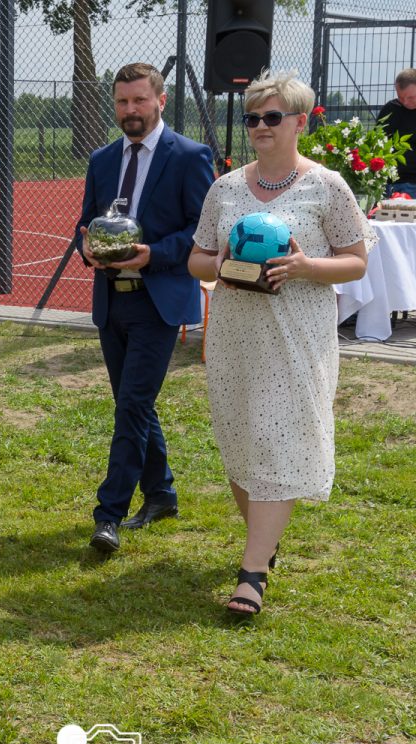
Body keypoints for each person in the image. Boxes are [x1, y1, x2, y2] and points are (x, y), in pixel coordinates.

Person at [187, 70, 372, 615]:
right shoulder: (225, 188)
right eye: (252, 118)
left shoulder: (327, 185)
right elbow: (197, 256)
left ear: (299, 121)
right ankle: (264, 546)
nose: (260, 127)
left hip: (295, 339)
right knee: (243, 444)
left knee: (276, 442)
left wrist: (305, 265)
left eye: (271, 117)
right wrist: (220, 263)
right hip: (234, 339)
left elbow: (357, 260)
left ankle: (251, 576)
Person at [75, 62, 215, 553]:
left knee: (132, 406)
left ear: (160, 99)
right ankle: (162, 494)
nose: (129, 110)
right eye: (121, 102)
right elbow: (84, 224)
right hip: (111, 301)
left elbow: (203, 231)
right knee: (133, 405)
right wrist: (87, 247)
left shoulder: (190, 156)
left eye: (138, 100)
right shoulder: (102, 159)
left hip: (157, 303)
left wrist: (154, 254)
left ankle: (107, 515)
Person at [379, 68, 416, 197]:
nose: (405, 102)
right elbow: (378, 142)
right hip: (388, 183)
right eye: (401, 97)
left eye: (411, 97)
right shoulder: (390, 109)